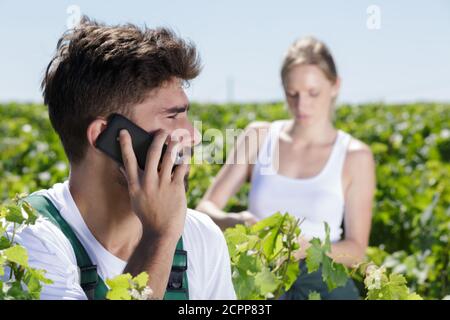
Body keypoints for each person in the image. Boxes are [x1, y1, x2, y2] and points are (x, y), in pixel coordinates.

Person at [8, 17, 236, 300]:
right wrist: (160, 238)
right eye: (173, 115)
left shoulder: (201, 237)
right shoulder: (27, 238)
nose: (193, 136)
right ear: (107, 135)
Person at [196, 36, 376, 299]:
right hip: (257, 280)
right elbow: (205, 209)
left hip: (322, 284)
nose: (302, 105)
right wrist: (238, 221)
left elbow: (356, 249)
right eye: (292, 93)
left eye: (313, 93)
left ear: (335, 86)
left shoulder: (354, 156)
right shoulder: (259, 137)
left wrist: (308, 249)